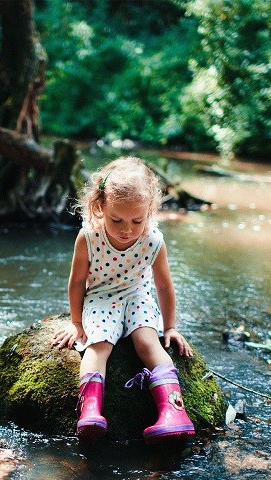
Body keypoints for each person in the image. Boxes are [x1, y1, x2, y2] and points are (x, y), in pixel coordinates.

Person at [52, 156, 195, 444]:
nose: (127, 229)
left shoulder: (153, 240)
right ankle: (90, 411)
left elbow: (164, 287)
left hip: (138, 296)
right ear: (99, 207)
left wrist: (170, 328)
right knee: (99, 345)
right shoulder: (89, 237)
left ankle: (174, 411)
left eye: (137, 220)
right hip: (102, 297)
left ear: (150, 212)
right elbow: (78, 281)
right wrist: (76, 322)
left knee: (147, 342)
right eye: (116, 219)